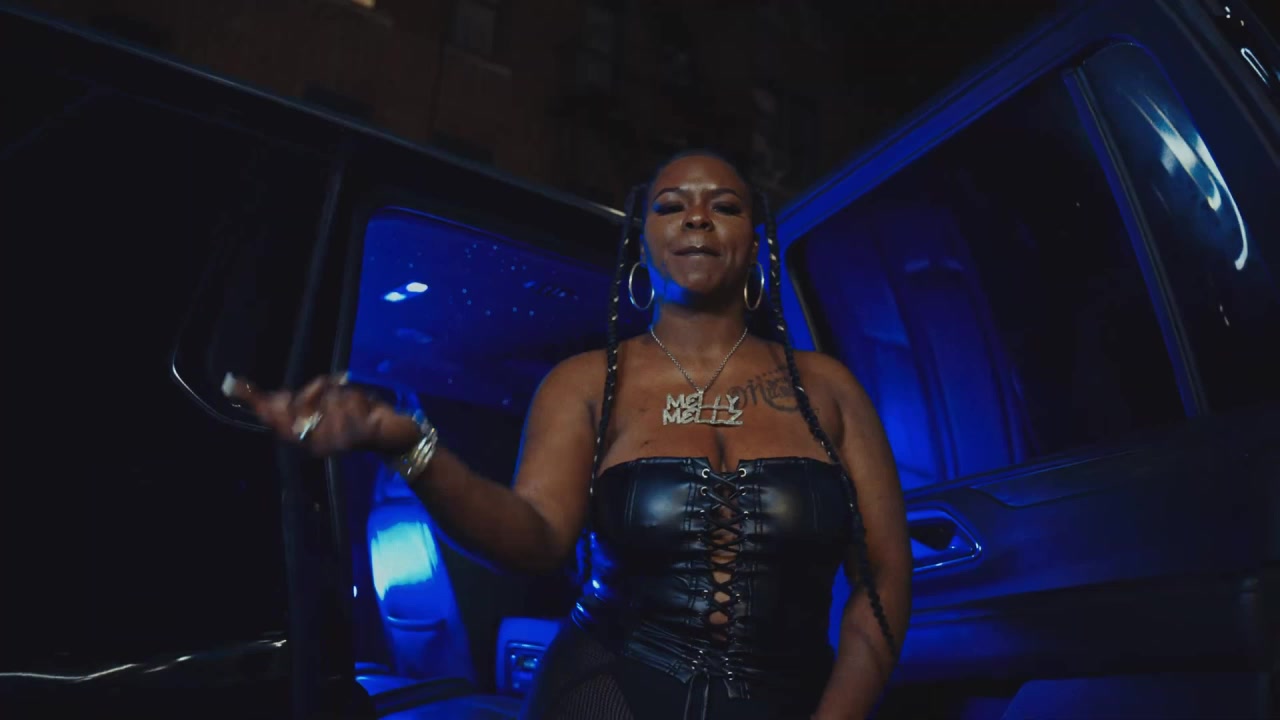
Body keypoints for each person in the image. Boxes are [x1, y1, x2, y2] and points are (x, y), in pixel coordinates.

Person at [227, 151, 912, 720]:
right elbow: (533, 539)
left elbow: (884, 577)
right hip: (604, 691)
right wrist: (408, 445)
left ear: (755, 242)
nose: (697, 217)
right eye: (671, 205)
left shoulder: (829, 388)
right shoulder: (585, 383)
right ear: (641, 241)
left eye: (724, 205)